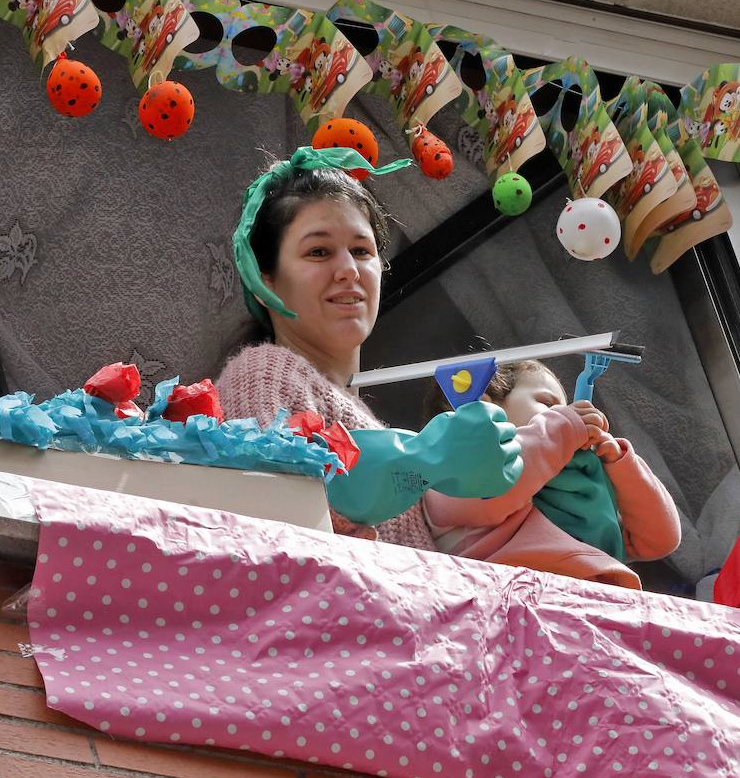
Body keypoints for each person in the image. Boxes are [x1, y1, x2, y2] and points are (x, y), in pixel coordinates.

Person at [215, 146, 522, 550]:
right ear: (265, 278)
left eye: (362, 251)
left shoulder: (361, 417)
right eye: (319, 251)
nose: (348, 270)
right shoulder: (263, 371)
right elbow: (273, 530)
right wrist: (422, 460)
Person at [424, 359, 681, 589]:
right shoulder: (453, 469)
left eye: (565, 409)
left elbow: (660, 540)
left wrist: (623, 467)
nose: (564, 414)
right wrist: (562, 428)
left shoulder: (581, 487)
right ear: (485, 407)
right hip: (505, 598)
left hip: (586, 611)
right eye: (548, 404)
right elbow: (494, 481)